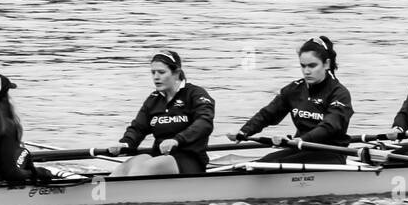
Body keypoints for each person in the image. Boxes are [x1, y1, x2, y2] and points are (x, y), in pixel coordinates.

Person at [230, 36, 354, 164]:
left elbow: (330, 126)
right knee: (264, 162)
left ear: (326, 64)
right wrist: (244, 130)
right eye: (303, 66)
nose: (306, 71)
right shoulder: (294, 89)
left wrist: (302, 139)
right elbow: (268, 114)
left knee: (268, 165)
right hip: (301, 147)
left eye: (312, 66)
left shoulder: (339, 94)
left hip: (330, 153)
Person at [109, 49, 215, 177]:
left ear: (176, 73)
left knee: (142, 169)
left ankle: (126, 194)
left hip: (188, 159)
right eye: (153, 72)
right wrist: (125, 143)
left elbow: (204, 123)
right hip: (159, 157)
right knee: (124, 168)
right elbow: (138, 128)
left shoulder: (195, 94)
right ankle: (105, 191)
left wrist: (177, 140)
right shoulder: (154, 99)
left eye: (161, 72)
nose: (156, 77)